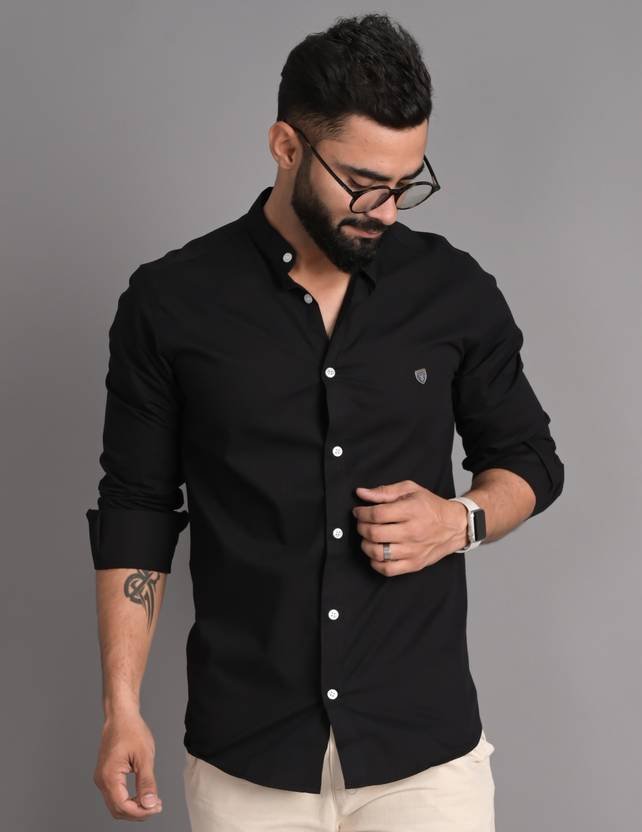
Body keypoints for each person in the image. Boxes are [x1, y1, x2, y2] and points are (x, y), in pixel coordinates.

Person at [86, 12, 564, 831]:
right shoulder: (170, 303)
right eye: (363, 182)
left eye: (405, 184)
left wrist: (462, 521)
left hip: (425, 756)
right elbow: (137, 508)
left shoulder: (452, 290)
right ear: (286, 146)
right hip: (248, 756)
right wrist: (120, 708)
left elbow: (530, 459)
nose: (386, 210)